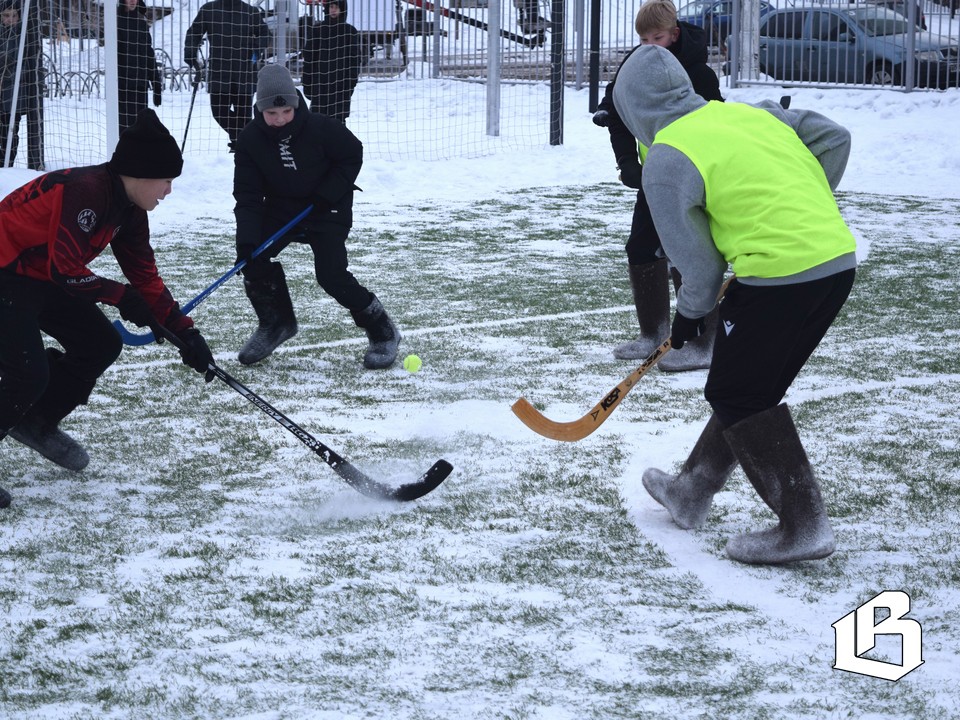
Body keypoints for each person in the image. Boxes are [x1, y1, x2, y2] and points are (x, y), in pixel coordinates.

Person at [613, 45, 856, 565]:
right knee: (750, 386)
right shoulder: (750, 113)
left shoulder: (667, 158)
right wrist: (806, 204)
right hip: (835, 262)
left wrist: (688, 316)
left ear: (633, 108)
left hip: (782, 275)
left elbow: (699, 270)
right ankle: (692, 489)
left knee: (737, 390)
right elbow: (834, 137)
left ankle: (804, 526)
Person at [0, 109, 214, 508]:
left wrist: (185, 332)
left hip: (38, 276)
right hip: (6, 272)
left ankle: (36, 420)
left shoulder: (130, 209)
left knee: (99, 343)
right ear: (140, 174)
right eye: (166, 181)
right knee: (26, 373)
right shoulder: (86, 191)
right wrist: (121, 296)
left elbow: (144, 276)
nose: (168, 191)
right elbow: (66, 269)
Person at [232, 64, 400, 369]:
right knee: (253, 258)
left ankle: (382, 330)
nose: (280, 119)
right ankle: (276, 323)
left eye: (286, 111)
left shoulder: (322, 128)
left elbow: (352, 155)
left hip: (326, 206)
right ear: (260, 109)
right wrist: (246, 241)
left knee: (331, 275)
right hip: (283, 208)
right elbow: (248, 196)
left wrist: (328, 193)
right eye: (271, 113)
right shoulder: (250, 140)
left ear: (296, 104)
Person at [593, 0, 722, 372]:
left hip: (693, 179)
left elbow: (717, 125)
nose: (650, 46)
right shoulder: (635, 68)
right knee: (640, 247)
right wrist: (627, 164)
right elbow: (615, 115)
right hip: (655, 179)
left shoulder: (698, 73)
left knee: (690, 253)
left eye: (658, 38)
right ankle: (652, 334)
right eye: (644, 39)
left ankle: (702, 343)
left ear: (675, 34)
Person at [183, 0, 268, 148]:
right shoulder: (209, 9)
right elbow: (194, 32)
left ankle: (241, 147)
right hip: (219, 72)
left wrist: (255, 49)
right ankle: (248, 139)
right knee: (219, 112)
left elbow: (265, 34)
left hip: (244, 72)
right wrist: (190, 54)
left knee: (244, 115)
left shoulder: (250, 11)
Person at [301, 0, 361, 123]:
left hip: (341, 85)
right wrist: (307, 82)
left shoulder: (350, 31)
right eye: (331, 7)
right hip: (320, 84)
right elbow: (309, 58)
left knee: (338, 122)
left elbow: (354, 60)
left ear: (342, 9)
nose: (333, 10)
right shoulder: (318, 30)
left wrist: (351, 83)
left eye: (336, 7)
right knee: (317, 121)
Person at [0, 0, 43, 170]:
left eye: (14, 15)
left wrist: (8, 71)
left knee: (10, 131)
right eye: (6, 15)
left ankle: (6, 166)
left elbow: (29, 63)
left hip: (13, 93)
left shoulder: (25, 35)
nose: (10, 19)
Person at [116, 0, 163, 133]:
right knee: (125, 129)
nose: (132, 1)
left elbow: (149, 55)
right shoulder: (116, 24)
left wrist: (156, 84)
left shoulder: (141, 24)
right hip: (123, 86)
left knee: (140, 128)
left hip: (140, 85)